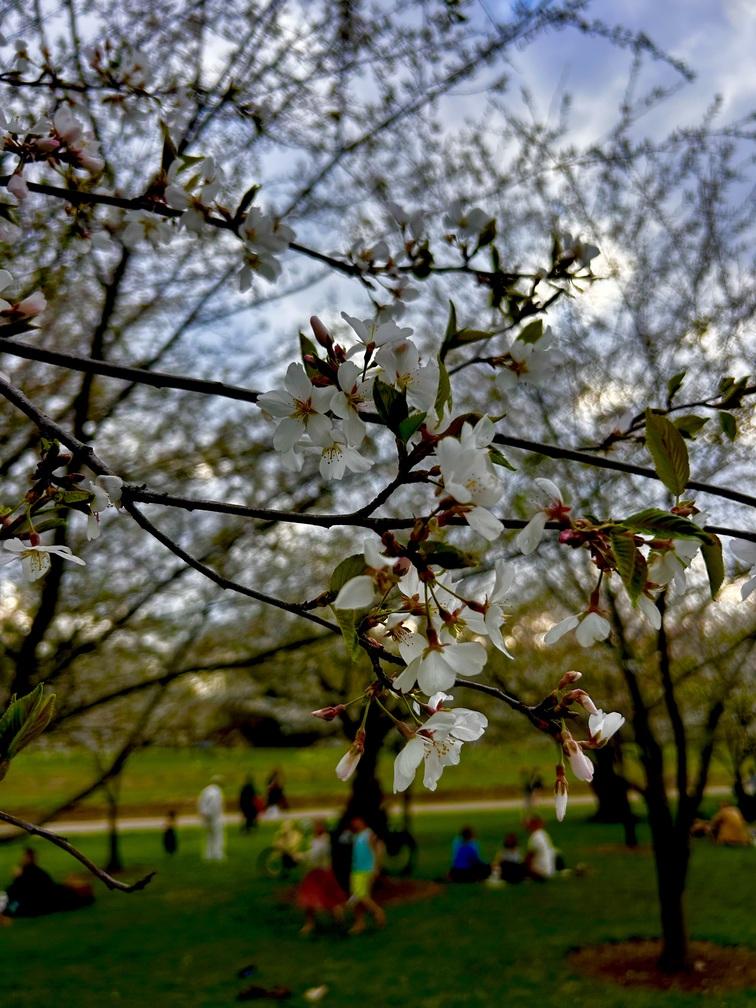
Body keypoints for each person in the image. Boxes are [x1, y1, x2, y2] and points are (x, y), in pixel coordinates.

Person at [2, 848, 94, 918]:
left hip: (30, 901)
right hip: (30, 899)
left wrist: (18, 877)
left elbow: (21, 894)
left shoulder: (66, 895)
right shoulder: (37, 874)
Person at [296, 819, 347, 934]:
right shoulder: (314, 839)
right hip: (313, 873)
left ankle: (339, 922)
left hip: (323, 873)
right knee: (308, 899)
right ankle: (310, 923)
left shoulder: (325, 840)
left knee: (330, 899)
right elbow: (312, 853)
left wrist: (302, 857)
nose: (315, 828)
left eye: (318, 826)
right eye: (315, 825)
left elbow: (317, 854)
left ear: (323, 827)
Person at [348, 816, 386, 934]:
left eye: (357, 821)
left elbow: (378, 849)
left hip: (366, 869)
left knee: (361, 894)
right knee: (357, 898)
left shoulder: (369, 834)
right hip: (356, 869)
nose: (355, 823)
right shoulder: (357, 835)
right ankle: (359, 923)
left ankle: (377, 911)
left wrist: (376, 867)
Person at [198, 776, 225, 861]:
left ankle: (208, 854)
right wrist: (212, 815)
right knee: (217, 836)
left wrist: (203, 814)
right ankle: (217, 854)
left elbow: (200, 803)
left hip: (206, 816)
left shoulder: (205, 790)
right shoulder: (217, 792)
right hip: (214, 817)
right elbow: (215, 805)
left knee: (209, 836)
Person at [524, 816, 556, 880]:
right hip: (549, 870)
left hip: (540, 872)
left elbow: (529, 858)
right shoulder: (543, 834)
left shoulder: (535, 837)